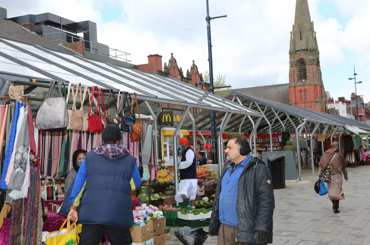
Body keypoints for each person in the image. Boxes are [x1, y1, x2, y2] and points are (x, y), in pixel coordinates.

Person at [67, 124, 141, 245]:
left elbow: (79, 184)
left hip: (92, 213)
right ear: (118, 140)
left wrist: (73, 206)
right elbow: (136, 183)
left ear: (103, 139)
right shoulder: (129, 159)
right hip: (118, 214)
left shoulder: (89, 157)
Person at [209, 136, 274, 245]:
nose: (226, 151)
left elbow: (266, 202)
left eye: (229, 148)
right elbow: (218, 197)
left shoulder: (257, 168)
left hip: (246, 229)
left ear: (242, 149)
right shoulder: (227, 168)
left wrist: (262, 228)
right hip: (224, 228)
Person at [319, 141, 348, 214]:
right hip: (337, 176)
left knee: (331, 191)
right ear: (337, 147)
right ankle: (335, 206)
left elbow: (321, 164)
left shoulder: (326, 154)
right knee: (337, 192)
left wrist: (320, 174)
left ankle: (335, 205)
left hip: (328, 176)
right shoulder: (339, 155)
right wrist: (345, 176)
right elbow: (344, 166)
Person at [175, 137, 198, 203]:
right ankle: (186, 204)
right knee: (185, 193)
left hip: (189, 177)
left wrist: (179, 165)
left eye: (182, 145)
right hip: (187, 177)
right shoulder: (186, 151)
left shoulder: (189, 151)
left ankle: (187, 205)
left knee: (186, 194)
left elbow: (189, 162)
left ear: (185, 144)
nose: (181, 146)